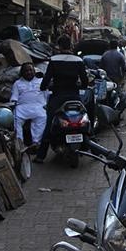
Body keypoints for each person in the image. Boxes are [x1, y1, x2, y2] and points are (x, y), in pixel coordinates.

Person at [37, 35, 89, 163]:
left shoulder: (54, 59)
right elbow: (85, 81)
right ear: (70, 45)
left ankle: (41, 156)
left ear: (59, 46)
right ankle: (90, 144)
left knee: (49, 124)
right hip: (75, 97)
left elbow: (46, 80)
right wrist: (78, 86)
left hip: (58, 97)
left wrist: (45, 87)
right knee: (85, 117)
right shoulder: (78, 60)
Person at [10, 62, 47, 149]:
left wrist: (47, 105)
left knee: (43, 117)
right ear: (22, 72)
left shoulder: (41, 81)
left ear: (34, 71)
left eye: (31, 70)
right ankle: (19, 144)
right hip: (22, 108)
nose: (29, 72)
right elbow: (14, 98)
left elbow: (47, 95)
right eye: (26, 71)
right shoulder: (17, 83)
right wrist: (13, 105)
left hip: (39, 106)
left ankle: (36, 142)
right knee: (16, 119)